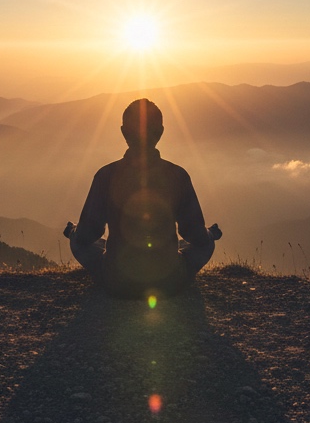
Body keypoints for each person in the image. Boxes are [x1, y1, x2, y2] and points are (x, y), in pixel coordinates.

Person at [64, 98, 221, 299]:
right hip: (168, 282)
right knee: (206, 244)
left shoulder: (106, 175)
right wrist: (210, 235)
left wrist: (73, 232)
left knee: (80, 243)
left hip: (118, 281)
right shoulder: (178, 175)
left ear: (123, 132)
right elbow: (195, 235)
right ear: (161, 132)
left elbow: (88, 235)